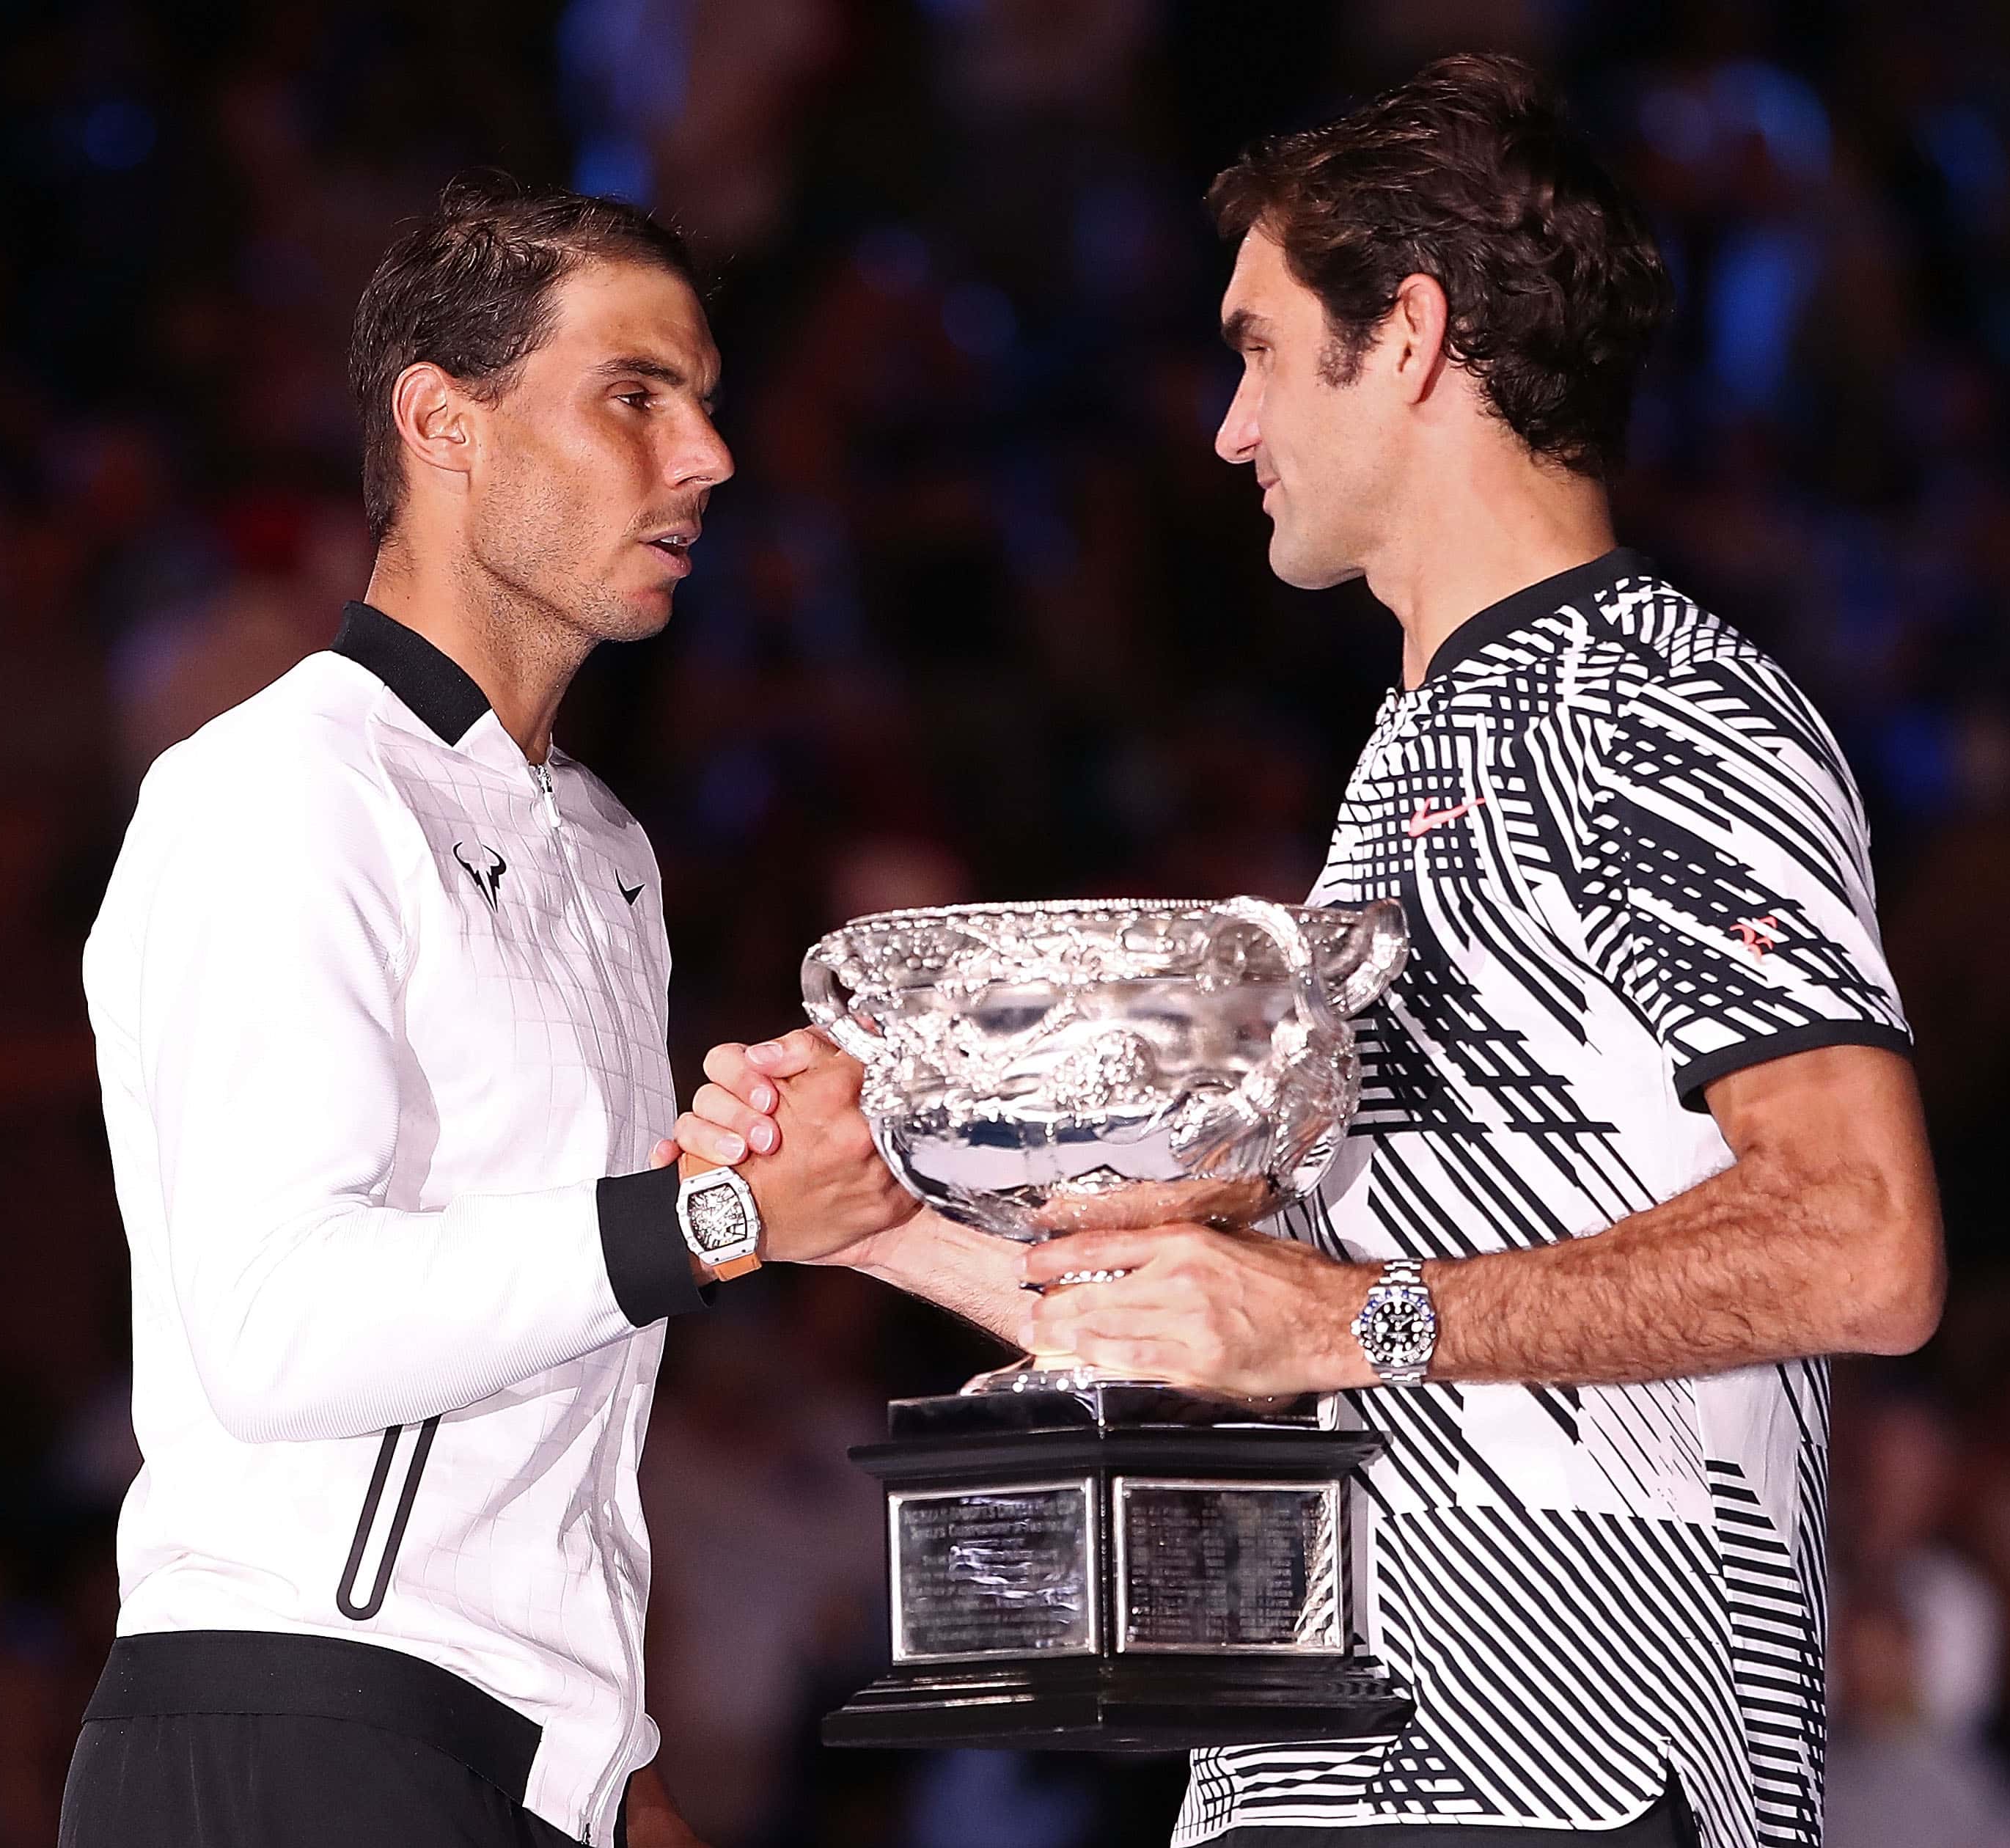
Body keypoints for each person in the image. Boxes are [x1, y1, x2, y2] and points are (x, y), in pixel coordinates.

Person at [664, 55, 1943, 1848]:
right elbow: (1257, 1325)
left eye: (1258, 349)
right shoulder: (1422, 743)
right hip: (1335, 1756)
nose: (1227, 427)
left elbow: (1857, 1238)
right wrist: (877, 1200)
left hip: (1576, 1771)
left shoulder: (1645, 695)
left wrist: (1347, 1321)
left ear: (1407, 337)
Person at [65, 175, 911, 1848]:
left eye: (706, 407)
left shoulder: (603, 847)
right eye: (634, 397)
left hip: (522, 1757)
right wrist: (716, 1214)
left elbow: (552, 1387)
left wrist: (613, 1769)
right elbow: (278, 1321)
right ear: (442, 424)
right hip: (292, 1723)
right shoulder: (272, 788)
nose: (706, 459)